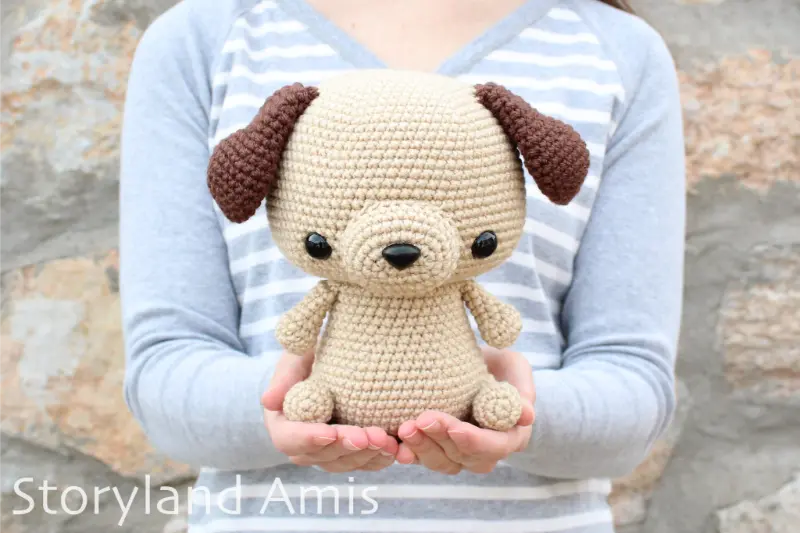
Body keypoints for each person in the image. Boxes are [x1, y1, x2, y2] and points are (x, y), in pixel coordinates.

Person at [119, 0, 685, 531]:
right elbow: (165, 372)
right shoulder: (204, 39)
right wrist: (295, 398)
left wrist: (513, 408)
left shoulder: (615, 53)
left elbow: (633, 385)